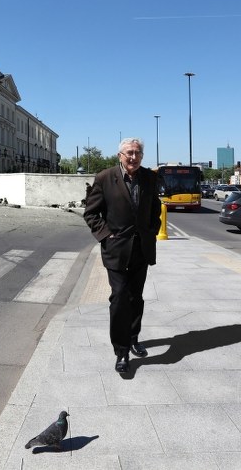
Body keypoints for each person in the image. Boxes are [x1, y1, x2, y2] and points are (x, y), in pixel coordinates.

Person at [83, 137, 163, 374]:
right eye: (129, 152)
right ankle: (121, 351)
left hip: (141, 249)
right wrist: (106, 236)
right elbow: (91, 213)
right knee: (119, 297)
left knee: (136, 297)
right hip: (116, 249)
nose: (134, 157)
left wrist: (152, 230)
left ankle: (133, 337)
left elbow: (155, 209)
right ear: (120, 155)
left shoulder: (149, 178)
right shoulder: (105, 178)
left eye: (138, 153)